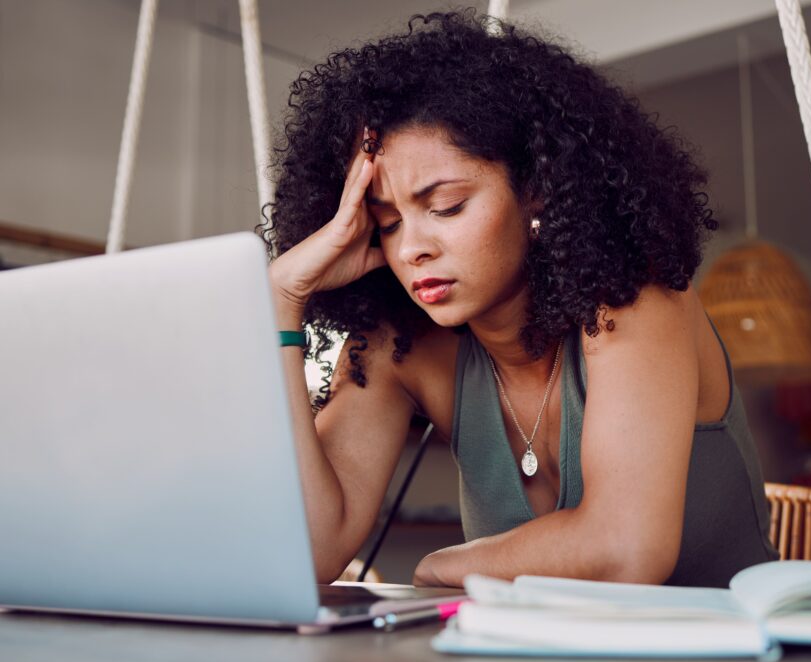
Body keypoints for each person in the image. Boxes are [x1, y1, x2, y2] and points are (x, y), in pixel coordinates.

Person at [263, 10, 778, 589]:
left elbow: (624, 551)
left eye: (447, 206)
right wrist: (281, 302)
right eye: (386, 223)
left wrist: (439, 566)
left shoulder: (633, 294)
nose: (412, 249)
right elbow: (305, 554)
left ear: (535, 189)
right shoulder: (399, 348)